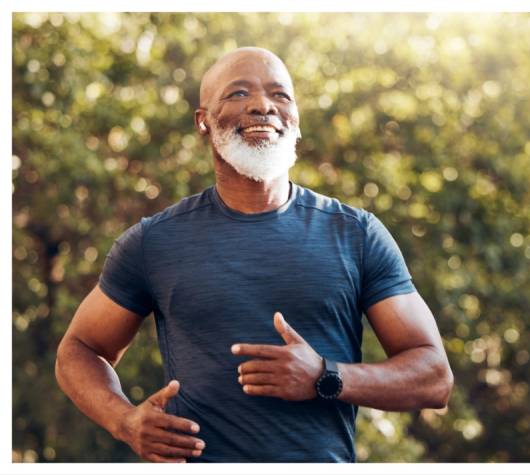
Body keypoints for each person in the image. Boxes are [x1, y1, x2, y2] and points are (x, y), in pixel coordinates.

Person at [54, 46, 454, 463]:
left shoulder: (356, 234)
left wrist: (325, 376)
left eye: (280, 95)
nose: (263, 105)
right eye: (238, 93)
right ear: (203, 120)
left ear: (296, 121)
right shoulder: (154, 241)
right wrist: (125, 422)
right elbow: (79, 349)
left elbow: (433, 377)